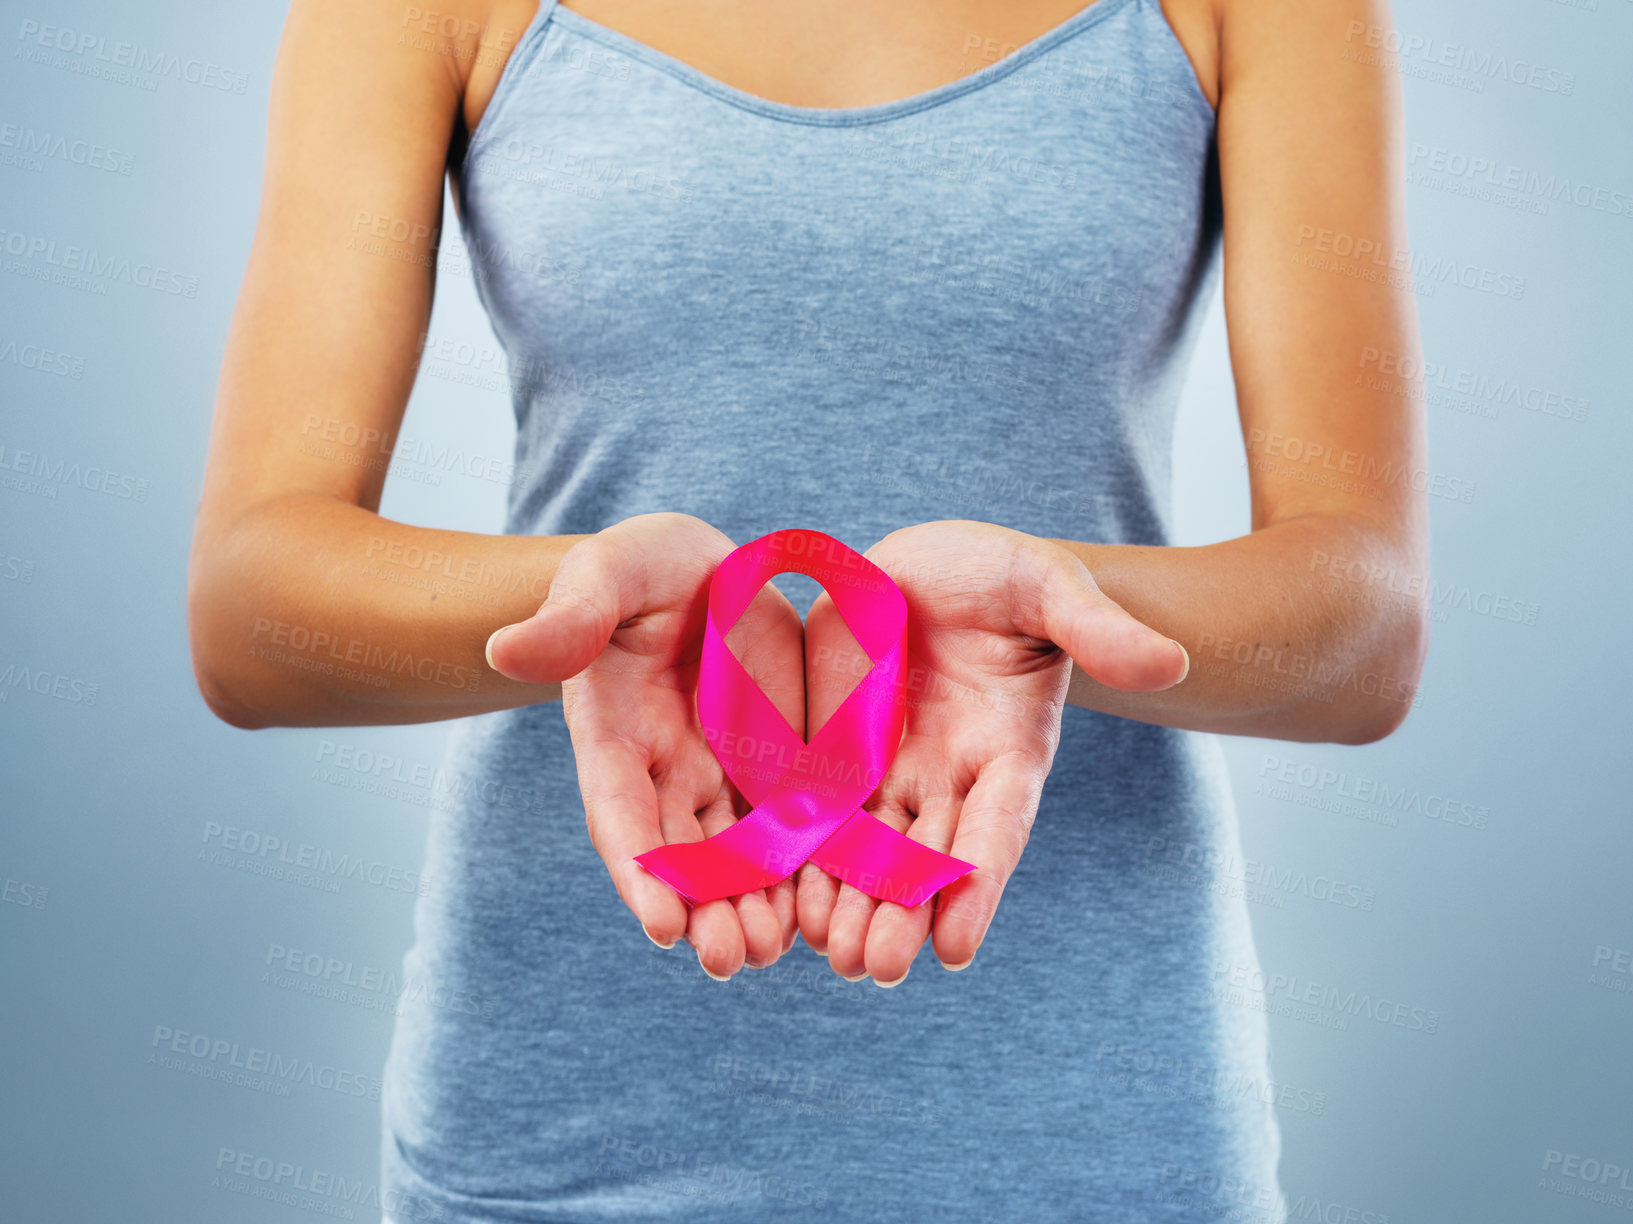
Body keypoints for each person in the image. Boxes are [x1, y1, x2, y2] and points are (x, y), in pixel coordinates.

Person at [186, 0, 1427, 1218]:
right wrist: (602, 607)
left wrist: (1047, 612)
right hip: (561, 1124)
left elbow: (1364, 640)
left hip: (1101, 1123)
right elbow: (253, 616)